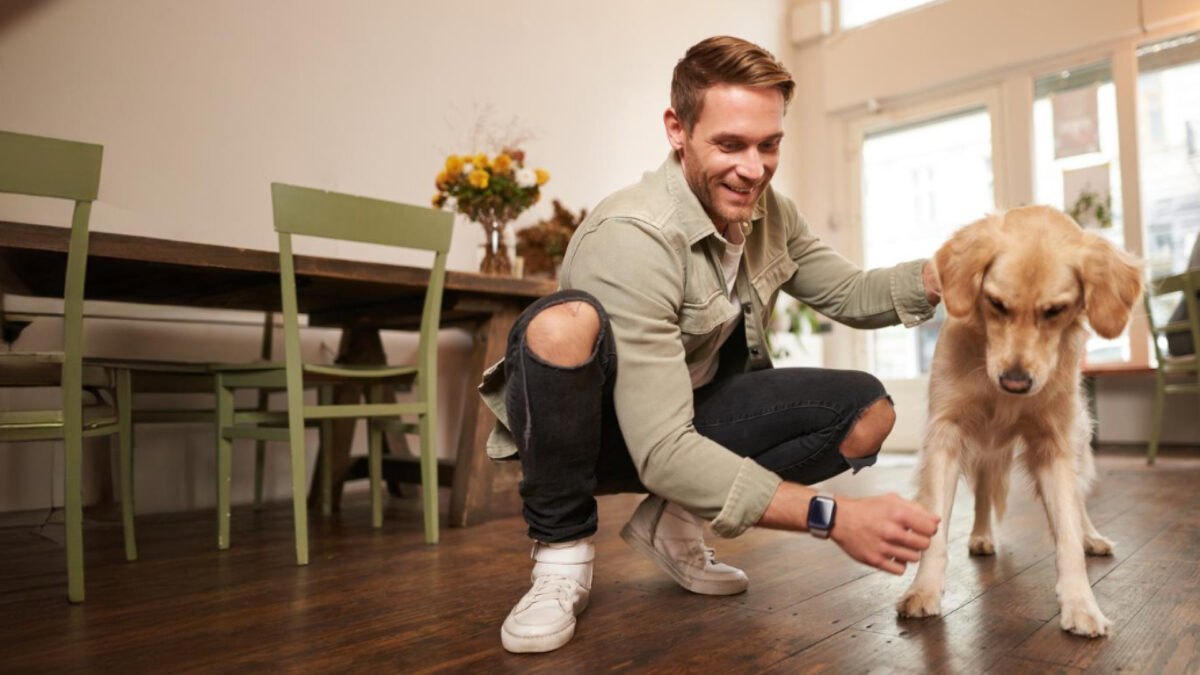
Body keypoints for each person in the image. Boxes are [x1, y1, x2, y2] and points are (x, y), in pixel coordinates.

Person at [478, 35, 943, 654]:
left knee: (866, 411)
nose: (753, 169)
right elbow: (662, 449)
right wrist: (834, 516)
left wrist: (948, 271)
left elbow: (853, 292)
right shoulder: (633, 235)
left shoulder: (767, 212)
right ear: (677, 129)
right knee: (560, 324)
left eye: (768, 144)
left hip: (686, 419)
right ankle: (560, 560)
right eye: (729, 145)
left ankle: (675, 523)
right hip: (604, 439)